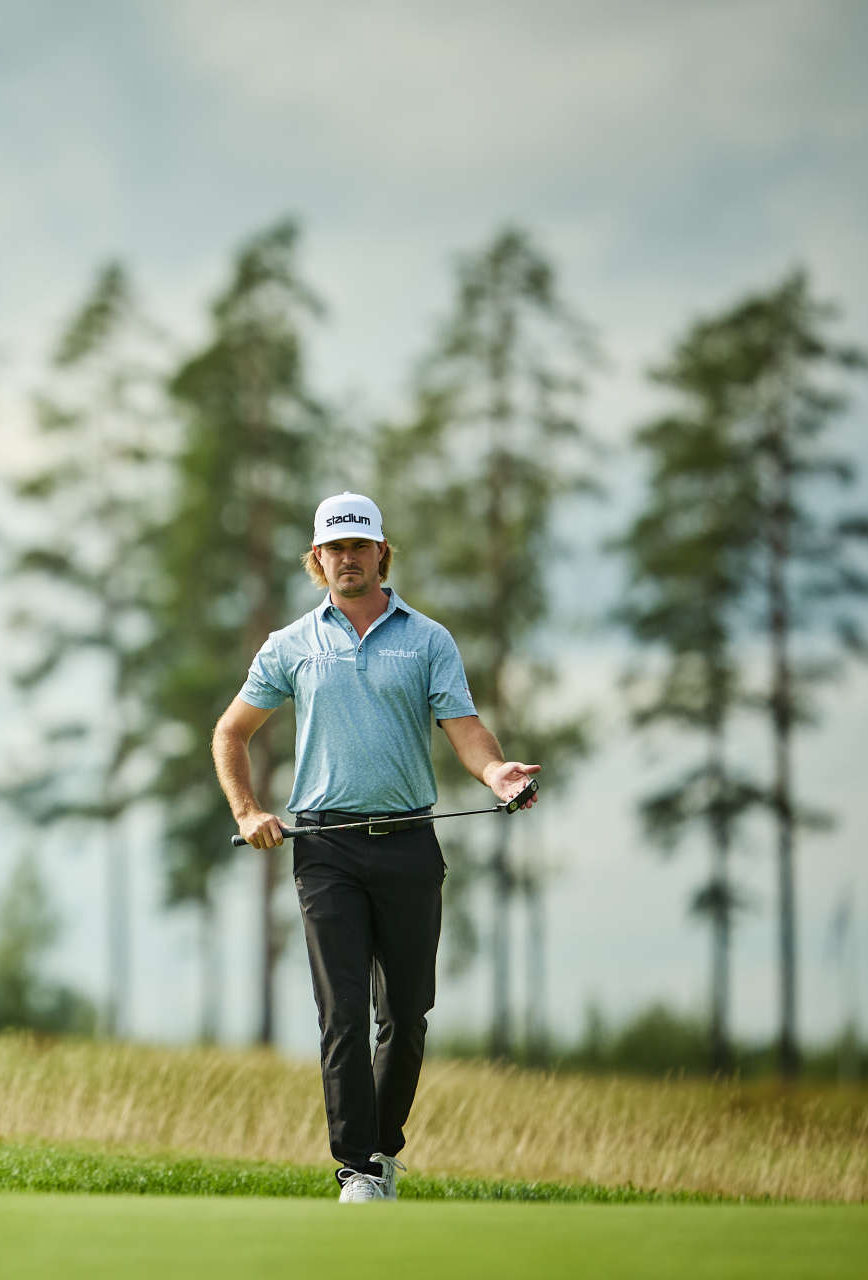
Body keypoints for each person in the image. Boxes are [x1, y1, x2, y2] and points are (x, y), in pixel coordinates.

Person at [211, 491, 539, 1204]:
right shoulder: (292, 644)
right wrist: (247, 810)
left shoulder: (428, 640)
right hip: (325, 848)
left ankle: (382, 1151)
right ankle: (357, 1166)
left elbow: (464, 727)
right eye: (335, 547)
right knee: (342, 1013)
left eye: (359, 545)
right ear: (317, 557)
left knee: (407, 1015)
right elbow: (231, 732)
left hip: (409, 844)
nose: (348, 558)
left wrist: (495, 773)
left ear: (381, 552)